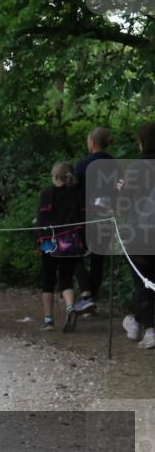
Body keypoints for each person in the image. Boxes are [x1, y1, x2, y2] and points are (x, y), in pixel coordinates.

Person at [36, 162, 87, 333]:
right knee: (66, 279)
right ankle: (70, 307)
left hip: (49, 242)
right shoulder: (76, 194)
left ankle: (49, 321)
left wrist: (38, 243)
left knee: (48, 281)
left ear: (53, 175)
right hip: (70, 241)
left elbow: (41, 220)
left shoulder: (46, 193)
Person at [118, 122, 155, 350]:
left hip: (140, 232)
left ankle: (149, 328)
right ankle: (140, 323)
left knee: (143, 281)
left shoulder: (136, 168)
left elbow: (123, 202)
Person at [72, 126, 115, 315]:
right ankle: (91, 301)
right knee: (98, 259)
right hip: (106, 215)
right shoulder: (114, 164)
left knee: (74, 254)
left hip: (85, 215)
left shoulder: (82, 164)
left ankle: (86, 294)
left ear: (92, 142)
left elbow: (73, 189)